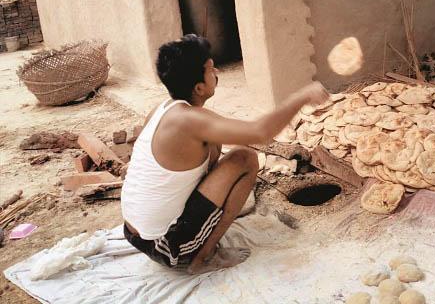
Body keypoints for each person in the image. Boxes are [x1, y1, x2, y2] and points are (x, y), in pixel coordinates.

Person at [120, 34, 329, 274]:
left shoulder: (164, 109)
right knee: (246, 159)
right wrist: (300, 97)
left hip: (133, 233)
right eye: (210, 69)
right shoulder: (192, 121)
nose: (216, 70)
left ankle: (196, 237)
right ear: (199, 87)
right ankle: (202, 258)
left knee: (217, 147)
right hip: (168, 247)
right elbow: (261, 133)